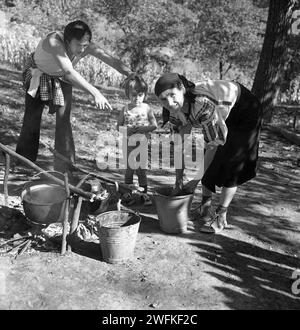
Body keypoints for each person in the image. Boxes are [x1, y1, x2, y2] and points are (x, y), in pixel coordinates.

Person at [16, 20, 134, 173]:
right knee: (32, 118)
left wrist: (130, 73)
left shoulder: (85, 46)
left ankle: (65, 167)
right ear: (67, 41)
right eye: (78, 45)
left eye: (85, 45)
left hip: (62, 78)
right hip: (39, 75)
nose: (82, 49)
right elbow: (69, 71)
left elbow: (109, 59)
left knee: (64, 121)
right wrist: (95, 93)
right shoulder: (53, 41)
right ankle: (24, 162)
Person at [154, 73, 263, 234]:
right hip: (221, 110)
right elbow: (179, 144)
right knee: (207, 158)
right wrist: (179, 179)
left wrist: (195, 181)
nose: (169, 103)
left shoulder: (201, 105)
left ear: (182, 89)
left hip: (245, 109)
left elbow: (213, 146)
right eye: (163, 99)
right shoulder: (173, 110)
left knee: (231, 163)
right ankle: (204, 209)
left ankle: (220, 215)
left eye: (172, 95)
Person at [117, 75, 157, 206]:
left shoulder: (147, 108)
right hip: (128, 143)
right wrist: (126, 130)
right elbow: (119, 126)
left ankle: (143, 194)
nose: (137, 98)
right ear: (128, 94)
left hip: (142, 144)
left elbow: (154, 125)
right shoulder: (125, 109)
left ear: (144, 94)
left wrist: (143, 128)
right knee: (129, 169)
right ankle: (127, 194)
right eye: (133, 95)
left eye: (140, 95)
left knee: (141, 170)